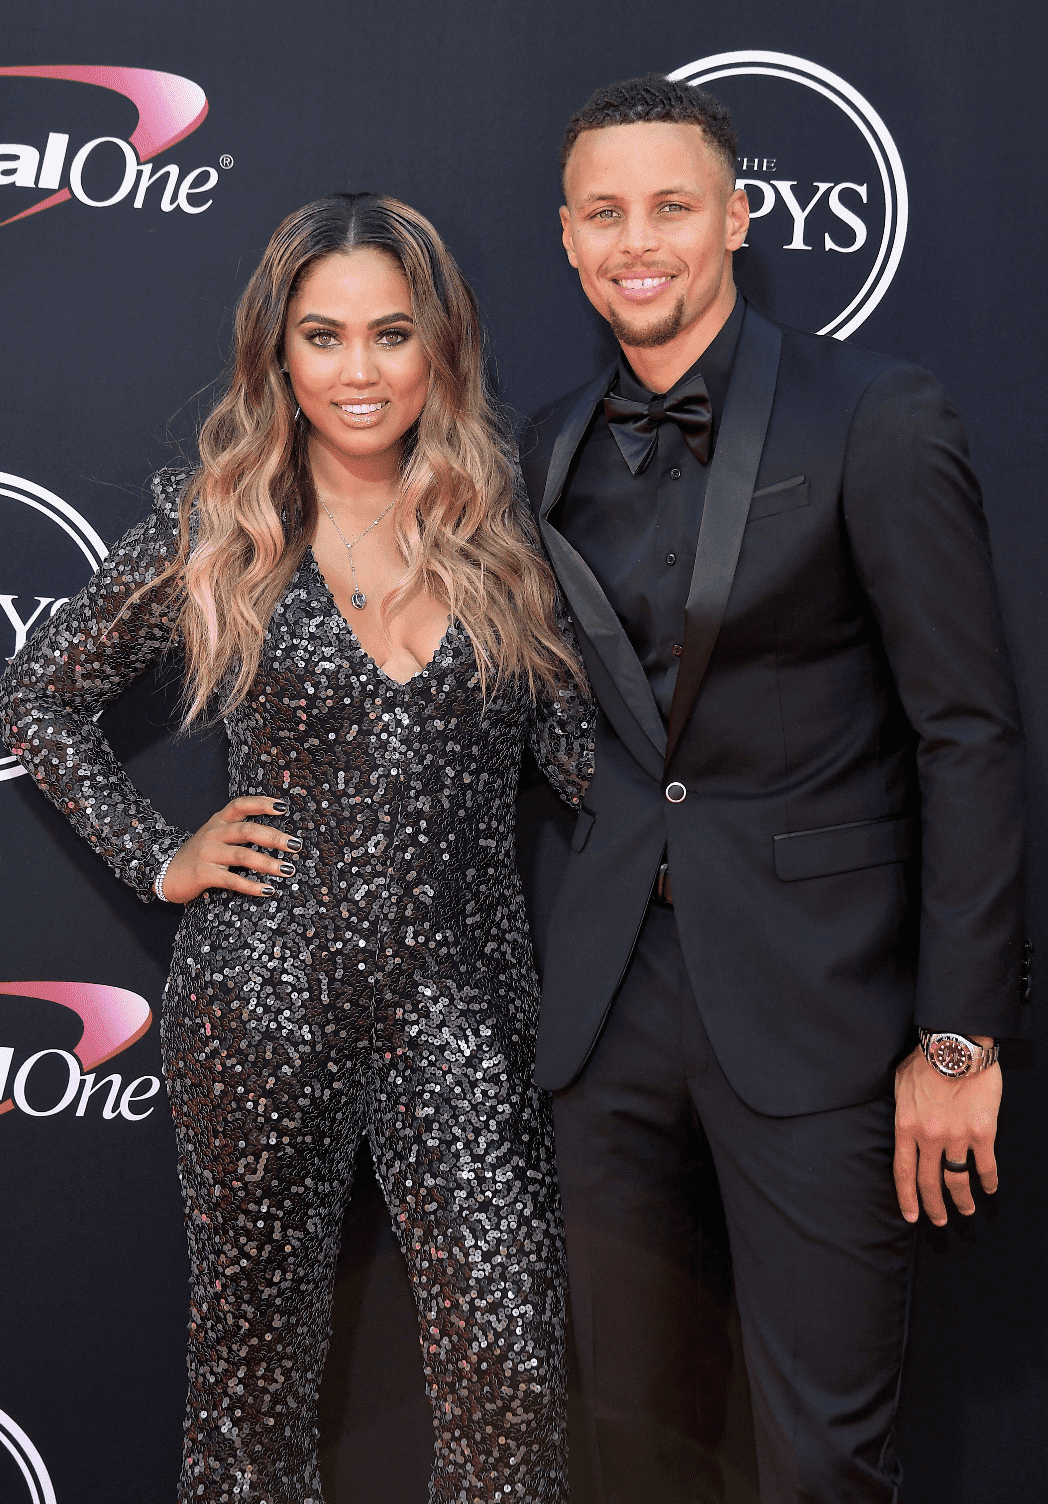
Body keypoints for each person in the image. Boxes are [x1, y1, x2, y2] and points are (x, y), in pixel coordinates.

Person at [0, 192, 593, 1504]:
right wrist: (156, 852)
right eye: (324, 338)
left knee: (512, 1383)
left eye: (392, 335)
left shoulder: (511, 545)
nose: (360, 371)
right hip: (257, 1006)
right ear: (279, 356)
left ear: (439, 348)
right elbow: (34, 692)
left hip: (468, 1013)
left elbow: (590, 772)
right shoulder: (227, 531)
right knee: (249, 1382)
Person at [518, 75, 1027, 1504]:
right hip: (603, 1016)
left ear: (736, 219)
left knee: (824, 1458)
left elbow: (968, 736)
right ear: (566, 238)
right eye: (606, 211)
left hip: (823, 1013)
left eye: (671, 206)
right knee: (631, 1446)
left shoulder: (877, 415)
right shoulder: (536, 450)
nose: (640, 240)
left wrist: (960, 1040)